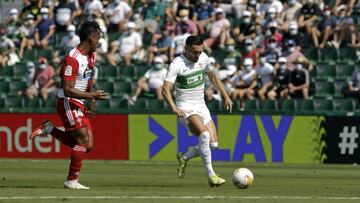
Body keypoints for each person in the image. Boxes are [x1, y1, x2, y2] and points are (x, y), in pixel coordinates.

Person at [30, 21, 109, 190]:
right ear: (91, 38)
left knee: (88, 145)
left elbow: (87, 78)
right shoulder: (72, 59)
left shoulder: (91, 56)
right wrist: (92, 95)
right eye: (98, 39)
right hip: (68, 102)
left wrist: (91, 98)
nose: (99, 42)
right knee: (82, 140)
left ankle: (49, 129)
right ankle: (71, 181)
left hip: (80, 102)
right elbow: (67, 90)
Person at [162, 35, 233, 187]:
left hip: (201, 106)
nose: (198, 55)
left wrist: (226, 95)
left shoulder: (204, 58)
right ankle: (211, 176)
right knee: (204, 135)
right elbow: (165, 89)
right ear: (186, 48)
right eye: (195, 52)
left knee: (213, 145)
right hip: (185, 108)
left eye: (200, 51)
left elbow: (213, 77)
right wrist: (174, 107)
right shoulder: (177, 64)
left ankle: (185, 157)